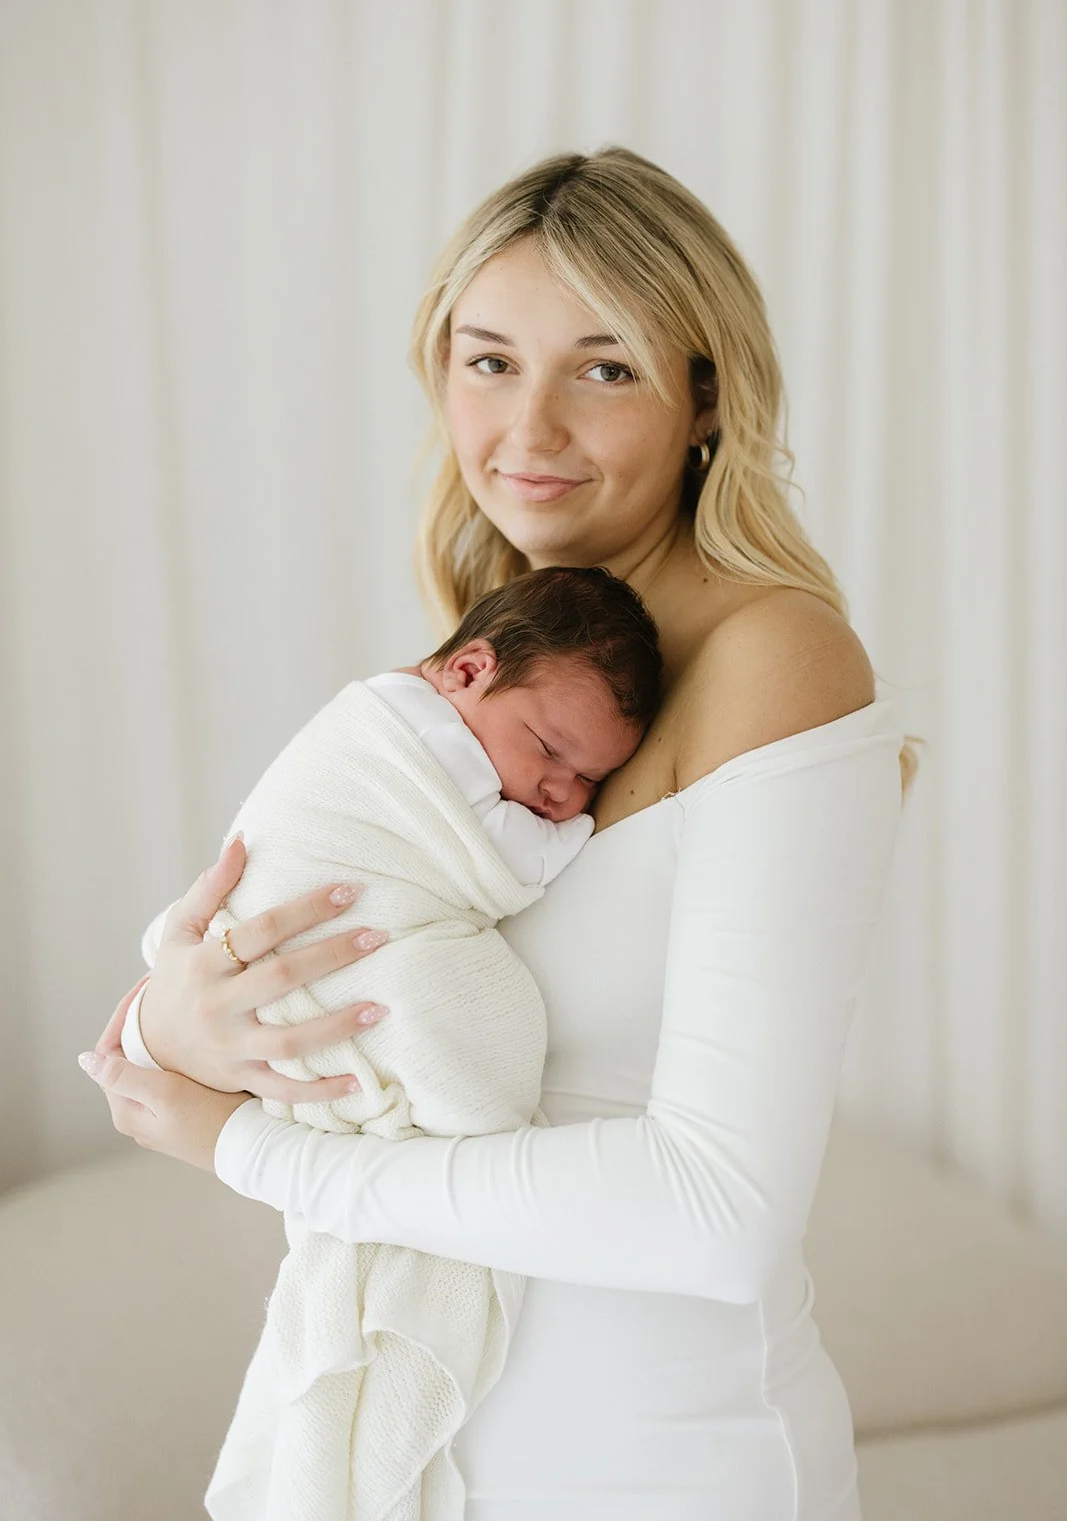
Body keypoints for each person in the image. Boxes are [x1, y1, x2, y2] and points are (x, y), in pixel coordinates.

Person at [83, 145, 917, 1521]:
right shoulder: (486, 704)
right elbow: (272, 995)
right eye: (487, 362)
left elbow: (713, 1212)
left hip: (652, 1467)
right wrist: (184, 1022)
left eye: (601, 368)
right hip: (409, 1458)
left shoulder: (776, 657)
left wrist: (244, 1150)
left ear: (702, 396)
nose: (527, 430)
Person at [119, 562, 659, 1520]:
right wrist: (158, 1025)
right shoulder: (410, 747)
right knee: (462, 1005)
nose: (560, 795)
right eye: (547, 750)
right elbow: (501, 874)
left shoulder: (454, 727)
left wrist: (162, 1028)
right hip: (309, 955)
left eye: (590, 781)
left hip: (276, 1018)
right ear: (464, 675)